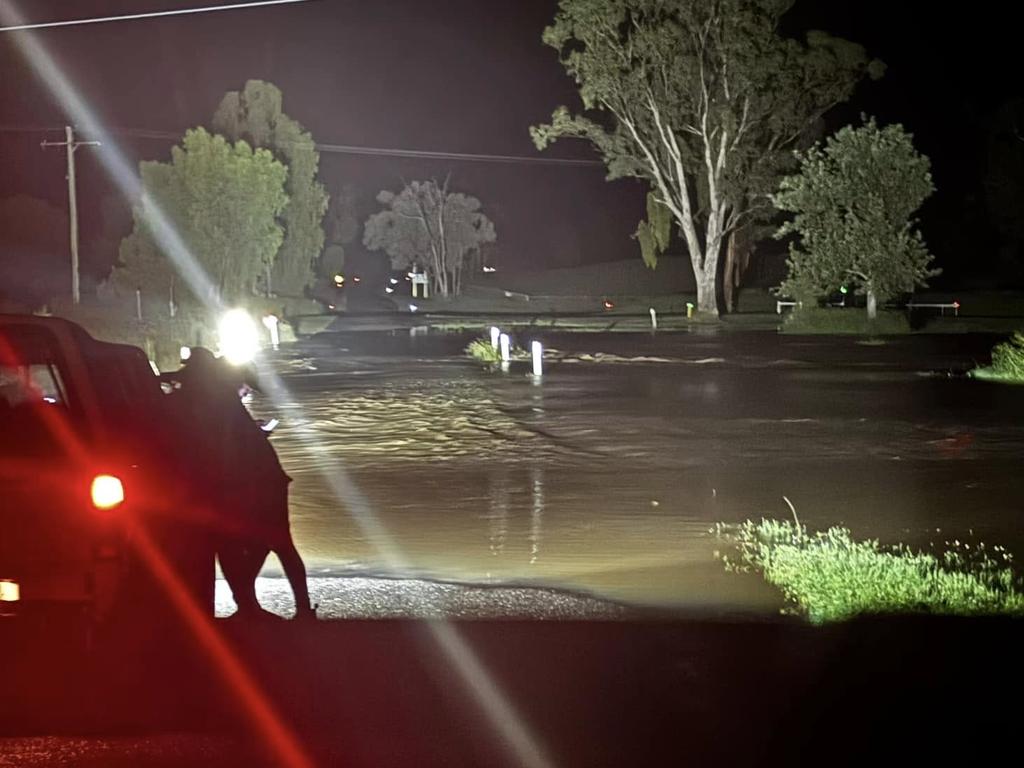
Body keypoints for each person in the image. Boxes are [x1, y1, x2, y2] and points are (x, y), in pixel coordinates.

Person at [172, 347, 314, 620]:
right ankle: (288, 608)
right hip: (260, 476)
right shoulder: (222, 394)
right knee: (274, 541)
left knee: (235, 543)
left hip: (243, 479)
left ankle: (249, 605)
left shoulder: (197, 399)